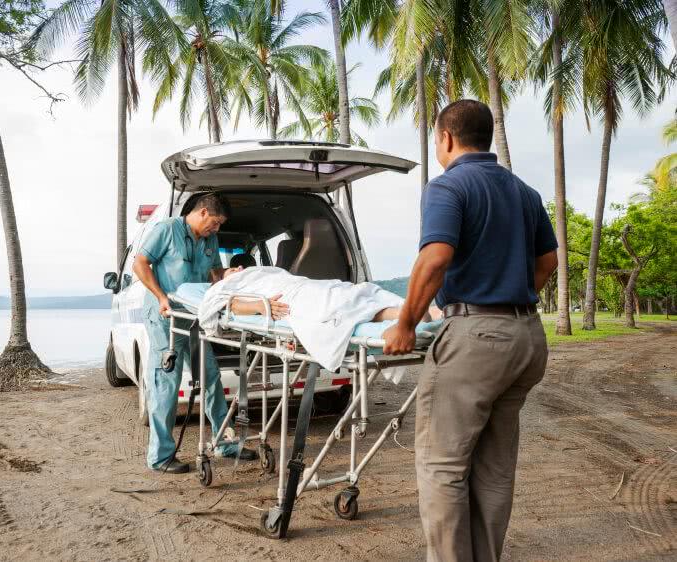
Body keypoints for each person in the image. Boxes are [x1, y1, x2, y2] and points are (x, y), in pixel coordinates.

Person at [382, 99, 558, 562]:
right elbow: (548, 262)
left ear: (446, 138)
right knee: (495, 467)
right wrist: (510, 295)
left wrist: (405, 324)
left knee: (443, 465)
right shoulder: (524, 191)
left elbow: (435, 257)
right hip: (527, 338)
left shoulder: (448, 186)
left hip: (477, 338)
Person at [132, 193, 258, 474]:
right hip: (165, 317)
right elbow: (140, 264)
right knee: (167, 383)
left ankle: (225, 442)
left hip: (194, 316)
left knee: (210, 377)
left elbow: (210, 273)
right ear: (202, 212)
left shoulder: (210, 239)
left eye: (219, 225)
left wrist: (226, 273)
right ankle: (161, 456)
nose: (217, 230)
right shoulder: (166, 230)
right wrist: (161, 296)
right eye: (215, 223)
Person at [198, 265, 442, 372]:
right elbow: (232, 306)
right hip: (293, 299)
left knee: (351, 292)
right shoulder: (224, 288)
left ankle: (409, 311)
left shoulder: (258, 272)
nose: (239, 270)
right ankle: (408, 311)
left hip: (300, 285)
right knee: (336, 305)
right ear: (222, 280)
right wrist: (261, 307)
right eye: (231, 271)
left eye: (238, 268)